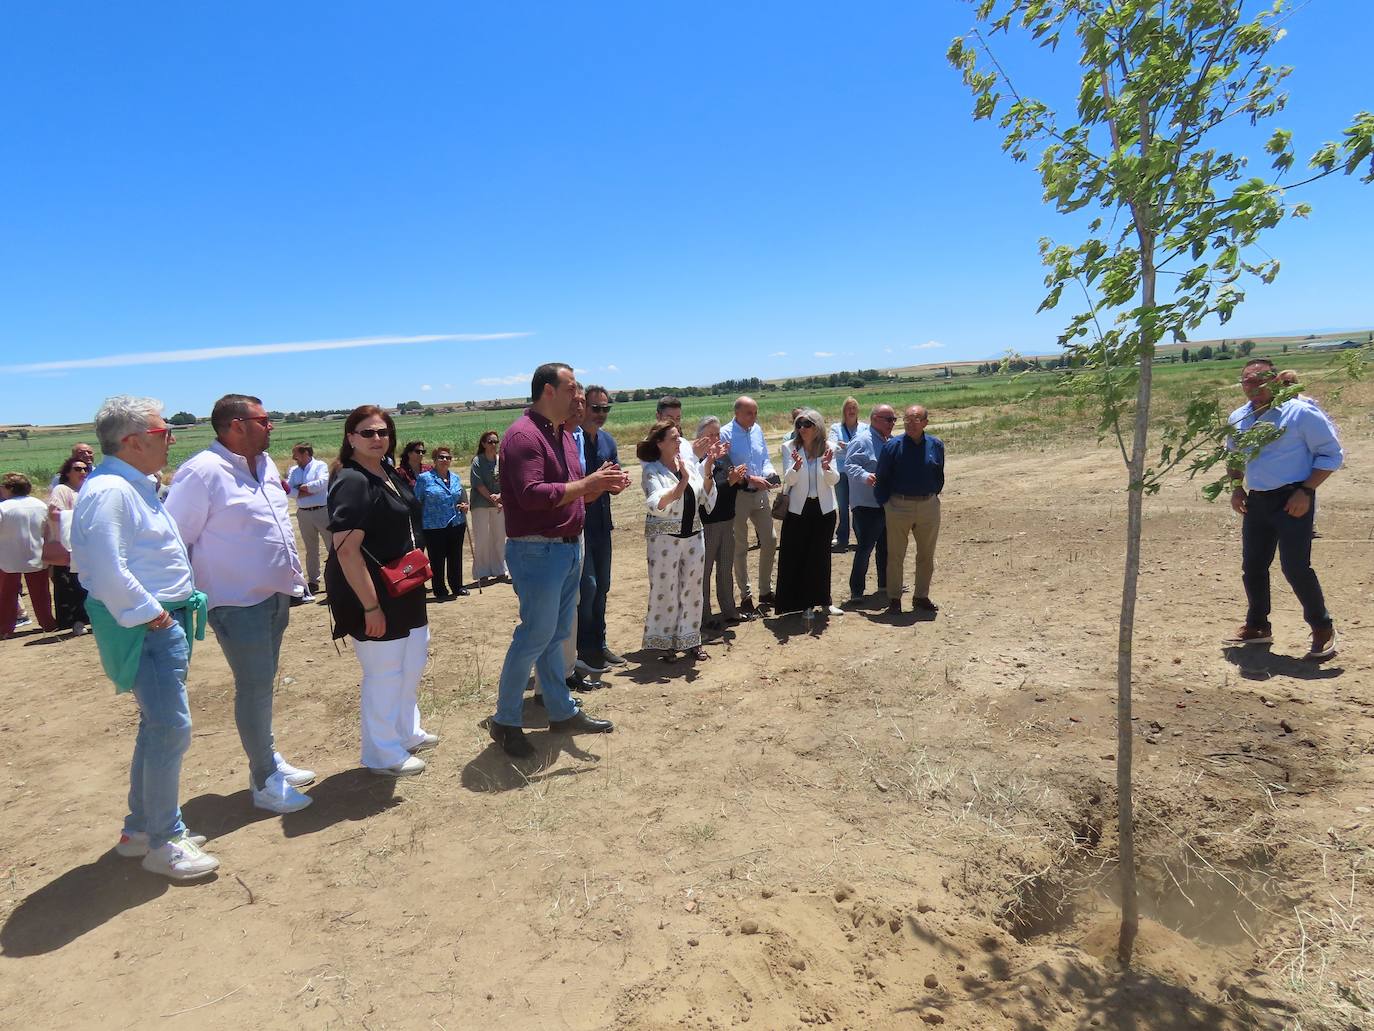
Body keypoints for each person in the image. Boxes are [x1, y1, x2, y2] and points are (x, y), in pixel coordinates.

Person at [71, 396, 218, 880]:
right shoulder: (111, 490)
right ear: (132, 442)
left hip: (156, 622)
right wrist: (155, 616)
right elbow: (103, 569)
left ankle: (140, 831)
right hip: (149, 626)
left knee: (156, 727)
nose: (171, 439)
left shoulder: (131, 484)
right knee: (170, 729)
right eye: (163, 433)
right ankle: (164, 841)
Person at [164, 394, 315, 813]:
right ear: (235, 425)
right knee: (253, 686)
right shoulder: (202, 473)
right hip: (234, 601)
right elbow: (176, 538)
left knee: (263, 684)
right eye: (264, 420)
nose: (272, 427)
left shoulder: (264, 465)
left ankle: (268, 760)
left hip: (275, 592)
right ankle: (265, 780)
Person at [488, 362, 629, 759]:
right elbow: (532, 494)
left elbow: (572, 493)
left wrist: (600, 485)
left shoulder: (564, 436)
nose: (577, 397)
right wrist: (587, 484)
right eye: (571, 388)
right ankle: (506, 719)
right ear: (548, 391)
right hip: (537, 550)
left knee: (554, 637)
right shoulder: (522, 436)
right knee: (534, 636)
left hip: (568, 547)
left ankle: (561, 710)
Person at [326, 406, 437, 776]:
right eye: (368, 432)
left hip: (405, 583)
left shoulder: (387, 470)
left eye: (383, 432)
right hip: (374, 590)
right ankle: (381, 752)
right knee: (385, 672)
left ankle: (406, 731)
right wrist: (371, 607)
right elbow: (346, 549)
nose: (377, 438)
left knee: (412, 662)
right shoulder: (353, 480)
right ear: (351, 437)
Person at [1223, 358, 1343, 659]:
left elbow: (1331, 454)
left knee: (1295, 567)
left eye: (1260, 381)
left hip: (1294, 499)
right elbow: (1234, 457)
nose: (1253, 388)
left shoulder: (1299, 413)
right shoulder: (1239, 418)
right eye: (1247, 382)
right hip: (1257, 500)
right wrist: (1237, 488)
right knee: (1252, 568)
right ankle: (1258, 627)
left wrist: (1306, 491)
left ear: (1275, 381)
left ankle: (1322, 626)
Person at [637, 420, 719, 660]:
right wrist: (681, 482)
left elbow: (704, 497)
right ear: (660, 443)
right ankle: (666, 644)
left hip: (694, 536)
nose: (678, 441)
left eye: (678, 437)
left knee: (693, 590)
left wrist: (708, 470)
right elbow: (657, 503)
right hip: (665, 540)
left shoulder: (687, 465)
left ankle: (691, 640)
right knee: (666, 591)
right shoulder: (652, 470)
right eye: (673, 438)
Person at [775, 409, 843, 623]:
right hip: (798, 510)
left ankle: (825, 600)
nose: (802, 429)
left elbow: (834, 481)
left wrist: (827, 469)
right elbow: (790, 481)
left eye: (807, 425)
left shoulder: (829, 447)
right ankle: (805, 604)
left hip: (824, 509)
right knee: (801, 556)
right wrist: (795, 467)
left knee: (821, 556)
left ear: (817, 427)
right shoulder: (790, 447)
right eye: (799, 425)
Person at [876, 405, 944, 615]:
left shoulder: (936, 445)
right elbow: (882, 478)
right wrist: (887, 504)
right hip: (898, 505)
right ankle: (894, 599)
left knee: (926, 554)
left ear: (925, 422)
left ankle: (920, 596)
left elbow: (939, 474)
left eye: (915, 419)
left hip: (928, 506)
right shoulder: (892, 447)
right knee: (895, 555)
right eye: (906, 419)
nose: (910, 423)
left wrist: (933, 496)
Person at [577, 385, 627, 672]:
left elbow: (614, 483)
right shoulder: (573, 442)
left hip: (602, 525)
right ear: (583, 407)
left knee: (603, 587)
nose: (601, 414)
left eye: (605, 408)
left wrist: (617, 485)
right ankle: (583, 649)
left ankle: (600, 644)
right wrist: (602, 483)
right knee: (588, 588)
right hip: (580, 527)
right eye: (595, 408)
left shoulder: (608, 441)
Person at [720, 396, 778, 614]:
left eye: (755, 413)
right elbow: (726, 468)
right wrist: (751, 480)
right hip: (738, 496)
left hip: (760, 494)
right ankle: (746, 596)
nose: (753, 417)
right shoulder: (725, 434)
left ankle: (766, 590)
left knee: (770, 540)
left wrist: (769, 473)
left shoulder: (757, 430)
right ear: (736, 413)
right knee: (740, 546)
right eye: (749, 413)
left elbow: (764, 457)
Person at [695, 416, 749, 629]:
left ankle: (729, 609)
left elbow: (734, 484)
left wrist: (739, 479)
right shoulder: (699, 460)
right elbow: (707, 488)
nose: (716, 438)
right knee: (705, 572)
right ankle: (705, 614)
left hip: (728, 519)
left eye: (718, 434)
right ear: (701, 437)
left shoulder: (724, 457)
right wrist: (730, 481)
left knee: (725, 568)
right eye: (711, 434)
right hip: (708, 523)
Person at [843, 405, 896, 603]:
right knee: (865, 547)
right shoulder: (862, 440)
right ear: (874, 419)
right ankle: (857, 591)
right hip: (866, 504)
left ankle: (884, 584)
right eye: (888, 419)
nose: (892, 424)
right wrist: (866, 476)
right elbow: (849, 465)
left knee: (886, 545)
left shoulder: (889, 441)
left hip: (886, 503)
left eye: (894, 420)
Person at [1, 473, 57, 638]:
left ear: (11, 488)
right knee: (41, 593)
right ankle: (47, 623)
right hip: (36, 553)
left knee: (6, 595)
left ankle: (4, 628)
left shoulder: (4, 507)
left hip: (7, 556)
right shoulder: (39, 504)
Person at [414, 446, 470, 599]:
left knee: (455, 556)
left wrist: (465, 506)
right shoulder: (425, 478)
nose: (445, 460)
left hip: (456, 522)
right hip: (433, 526)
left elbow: (461, 497)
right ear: (434, 460)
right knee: (437, 559)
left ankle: (457, 586)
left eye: (448, 458)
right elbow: (416, 501)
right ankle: (439, 589)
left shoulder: (456, 478)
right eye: (441, 457)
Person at [47, 456, 91, 634]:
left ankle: (89, 618)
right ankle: (75, 622)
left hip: (87, 543)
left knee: (87, 584)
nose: (82, 472)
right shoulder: (62, 489)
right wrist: (76, 516)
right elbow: (53, 512)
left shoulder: (88, 490)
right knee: (69, 586)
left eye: (85, 469)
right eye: (77, 469)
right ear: (67, 473)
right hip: (67, 545)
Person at [287, 442, 331, 598]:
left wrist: (301, 488)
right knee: (310, 549)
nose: (293, 458)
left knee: (332, 547)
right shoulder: (293, 470)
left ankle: (336, 578)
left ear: (306, 453)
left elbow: (321, 484)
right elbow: (288, 490)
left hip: (323, 511)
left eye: (296, 454)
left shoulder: (320, 466)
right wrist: (305, 490)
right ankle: (313, 581)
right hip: (304, 514)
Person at [469, 430, 507, 582]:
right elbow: (478, 484)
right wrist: (493, 500)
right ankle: (482, 572)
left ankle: (500, 570)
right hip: (481, 504)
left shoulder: (501, 460)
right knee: (482, 538)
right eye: (490, 442)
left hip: (499, 503)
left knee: (499, 537)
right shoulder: (477, 461)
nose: (493, 445)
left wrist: (500, 498)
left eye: (495, 442)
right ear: (483, 444)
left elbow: (507, 480)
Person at [828, 397, 865, 552]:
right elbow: (832, 445)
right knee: (843, 507)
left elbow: (864, 446)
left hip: (858, 472)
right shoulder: (836, 427)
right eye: (848, 408)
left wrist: (847, 447)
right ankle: (842, 539)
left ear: (858, 410)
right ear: (844, 411)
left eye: (854, 408)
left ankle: (862, 537)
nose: (851, 411)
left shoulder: (865, 428)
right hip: (841, 472)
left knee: (858, 506)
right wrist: (850, 447)